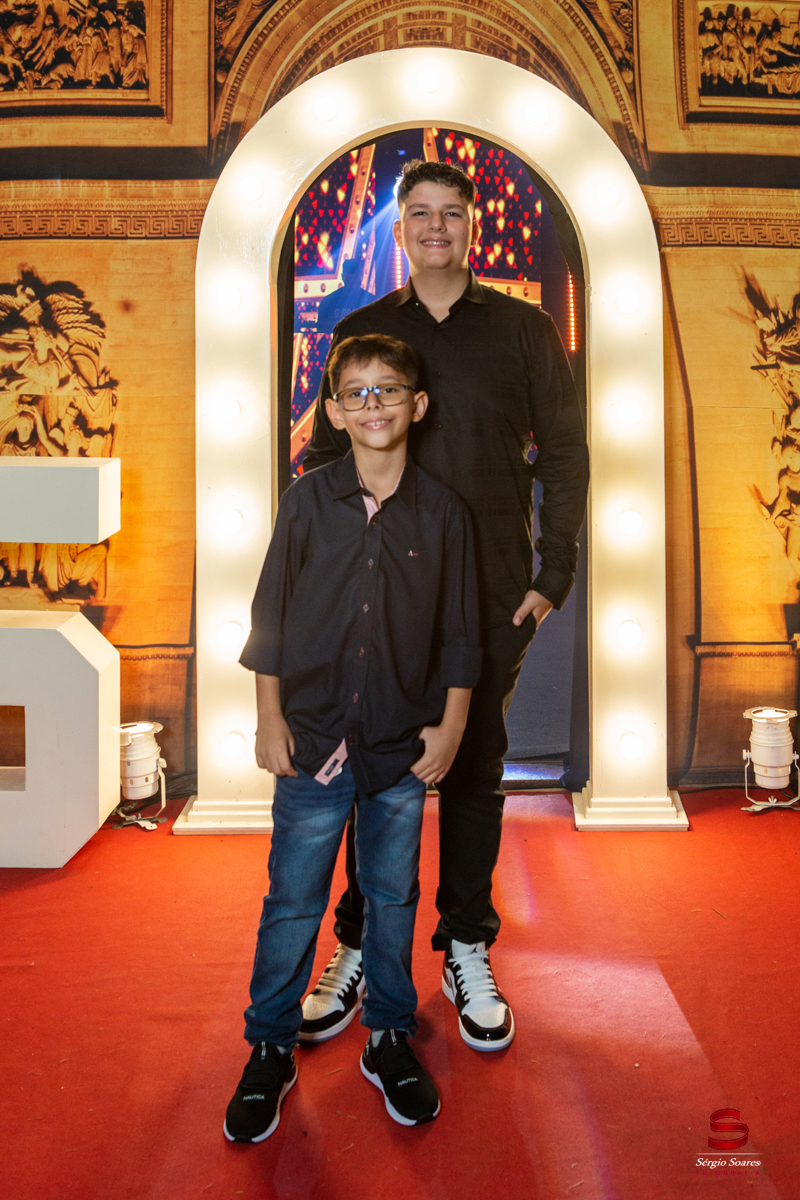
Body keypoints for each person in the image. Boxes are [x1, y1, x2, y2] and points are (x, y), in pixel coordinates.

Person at [300, 158, 590, 1052]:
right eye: (420, 212)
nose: (436, 226)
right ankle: (357, 945)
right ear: (399, 231)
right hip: (380, 593)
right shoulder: (361, 330)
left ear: (472, 226)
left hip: (494, 588)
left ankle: (466, 944)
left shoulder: (524, 329)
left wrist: (554, 572)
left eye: (452, 212)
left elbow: (566, 451)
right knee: (372, 770)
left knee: (472, 768)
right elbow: (323, 458)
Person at [224, 333, 482, 1142]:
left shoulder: (444, 513)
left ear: (418, 404)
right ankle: (269, 1045)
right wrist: (269, 718)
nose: (374, 405)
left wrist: (451, 727)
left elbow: (462, 634)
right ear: (334, 411)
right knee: (294, 900)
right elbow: (269, 615)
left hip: (399, 745)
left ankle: (389, 1035)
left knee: (393, 896)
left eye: (389, 389)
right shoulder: (307, 502)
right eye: (357, 393)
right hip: (312, 741)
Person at [315, 257, 375, 333]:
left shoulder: (328, 301)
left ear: (343, 277)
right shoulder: (371, 300)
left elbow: (320, 330)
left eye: (353, 278)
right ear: (361, 277)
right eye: (351, 278)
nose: (352, 281)